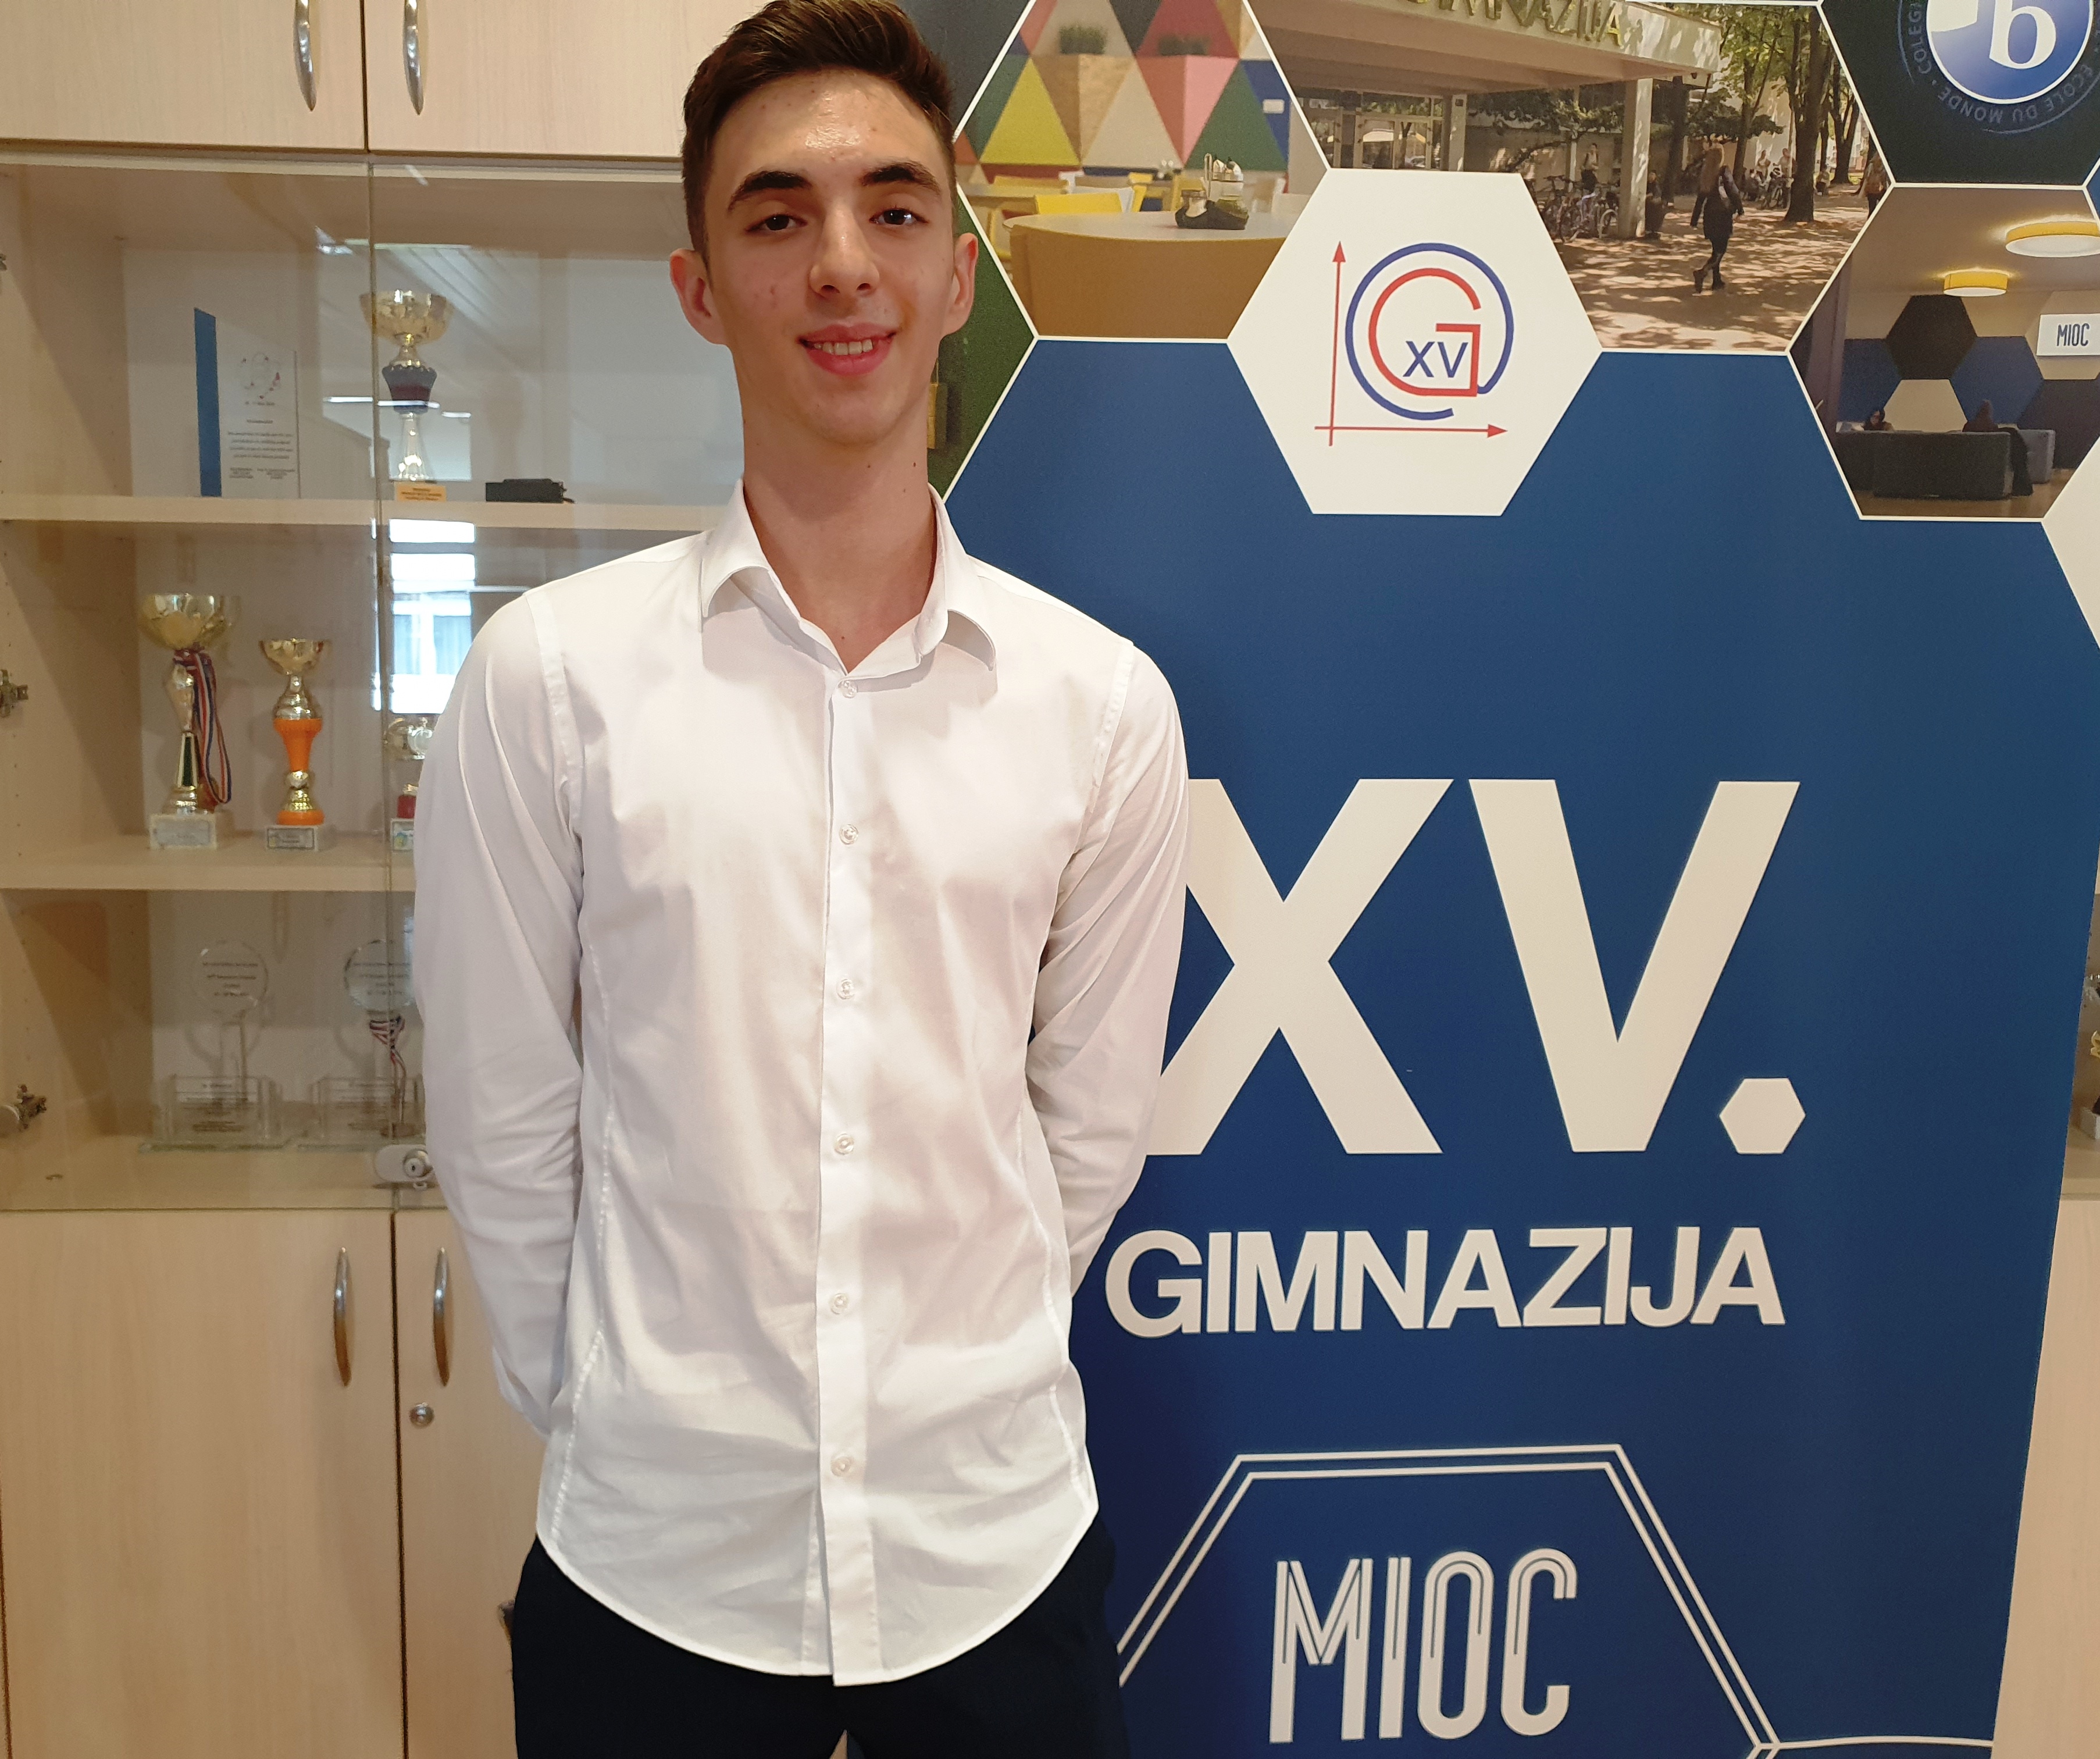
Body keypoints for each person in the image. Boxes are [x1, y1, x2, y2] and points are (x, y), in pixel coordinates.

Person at [412, 3, 1192, 1755]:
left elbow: (1084, 1135)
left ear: (957, 270)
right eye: (777, 216)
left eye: (894, 208)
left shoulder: (1101, 707)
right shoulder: (548, 682)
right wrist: (622, 1411)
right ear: (700, 288)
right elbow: (501, 1113)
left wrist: (947, 1372)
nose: (842, 263)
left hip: (989, 1550)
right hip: (655, 1564)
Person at [1694, 159, 1743, 293]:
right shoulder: (1723, 171)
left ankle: (1717, 281)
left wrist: (1695, 219)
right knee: (1721, 250)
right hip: (1723, 216)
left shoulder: (1707, 173)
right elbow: (1733, 190)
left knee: (1716, 249)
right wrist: (1740, 209)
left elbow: (1701, 197)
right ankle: (1703, 271)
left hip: (1709, 216)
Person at [1691, 143, 1721, 230]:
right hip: (1712, 187)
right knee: (1712, 205)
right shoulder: (1717, 167)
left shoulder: (1706, 165)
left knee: (1699, 204)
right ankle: (1710, 223)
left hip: (1704, 186)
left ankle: (1694, 222)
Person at [1860, 149, 1888, 215]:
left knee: (1872, 210)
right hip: (1882, 190)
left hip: (1871, 189)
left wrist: (1863, 190)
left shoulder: (1871, 165)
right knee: (1884, 209)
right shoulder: (1885, 166)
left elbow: (1867, 177)